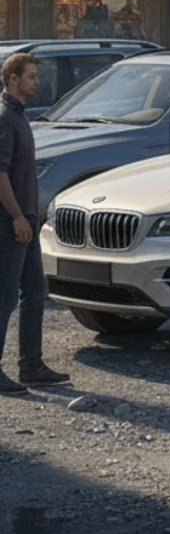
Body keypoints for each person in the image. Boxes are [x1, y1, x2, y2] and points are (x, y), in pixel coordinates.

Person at [0, 54, 65, 394]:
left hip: (25, 219)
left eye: (37, 76)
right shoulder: (5, 118)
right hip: (10, 223)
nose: (37, 82)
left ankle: (31, 366)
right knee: (5, 296)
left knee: (35, 291)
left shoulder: (19, 116)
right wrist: (15, 216)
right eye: (31, 76)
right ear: (13, 79)